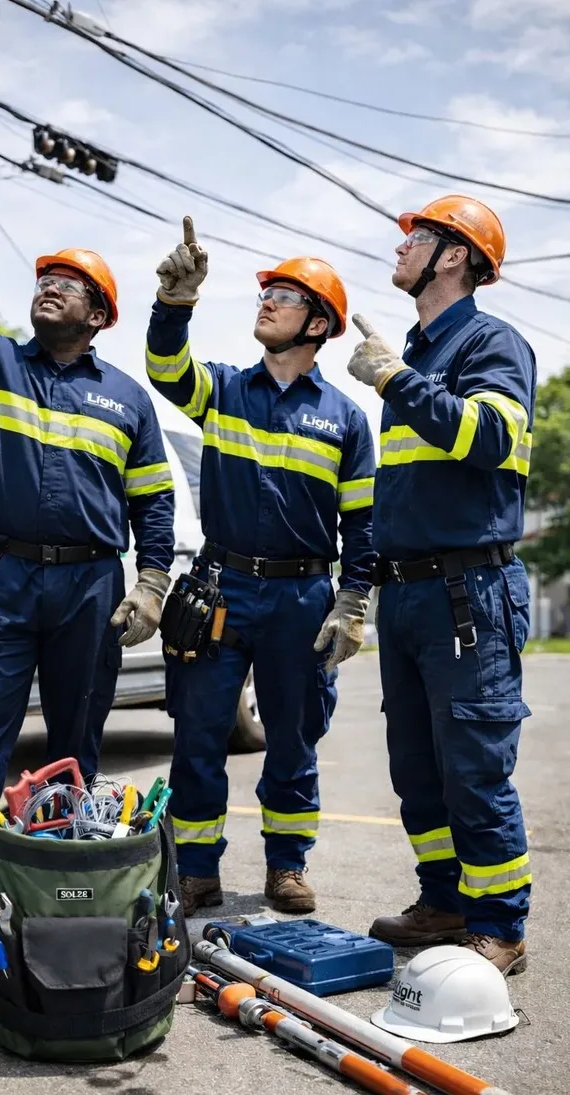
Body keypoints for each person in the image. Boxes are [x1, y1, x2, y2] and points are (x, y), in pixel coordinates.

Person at [0, 170, 175, 799]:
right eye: (45, 281)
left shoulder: (129, 399)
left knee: (76, 744)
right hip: (4, 574)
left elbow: (153, 500)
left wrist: (153, 582)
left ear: (99, 315)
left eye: (69, 284)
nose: (50, 287)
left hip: (91, 585)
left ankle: (54, 877)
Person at [145, 217, 376, 916]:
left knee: (294, 739)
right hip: (222, 587)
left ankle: (287, 866)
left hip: (304, 594)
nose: (266, 302)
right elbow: (163, 365)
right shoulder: (220, 389)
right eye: (265, 293)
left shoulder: (346, 418)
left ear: (318, 324)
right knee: (199, 734)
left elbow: (363, 521)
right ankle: (195, 872)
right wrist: (174, 302)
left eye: (284, 295)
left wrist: (353, 601)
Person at [347, 194, 535, 976]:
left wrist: (392, 378)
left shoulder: (492, 343)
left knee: (473, 764)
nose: (399, 250)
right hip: (411, 593)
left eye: (413, 240)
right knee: (416, 764)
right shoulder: (421, 355)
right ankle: (444, 901)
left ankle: (500, 925)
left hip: (469, 591)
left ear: (452, 255)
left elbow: (489, 438)